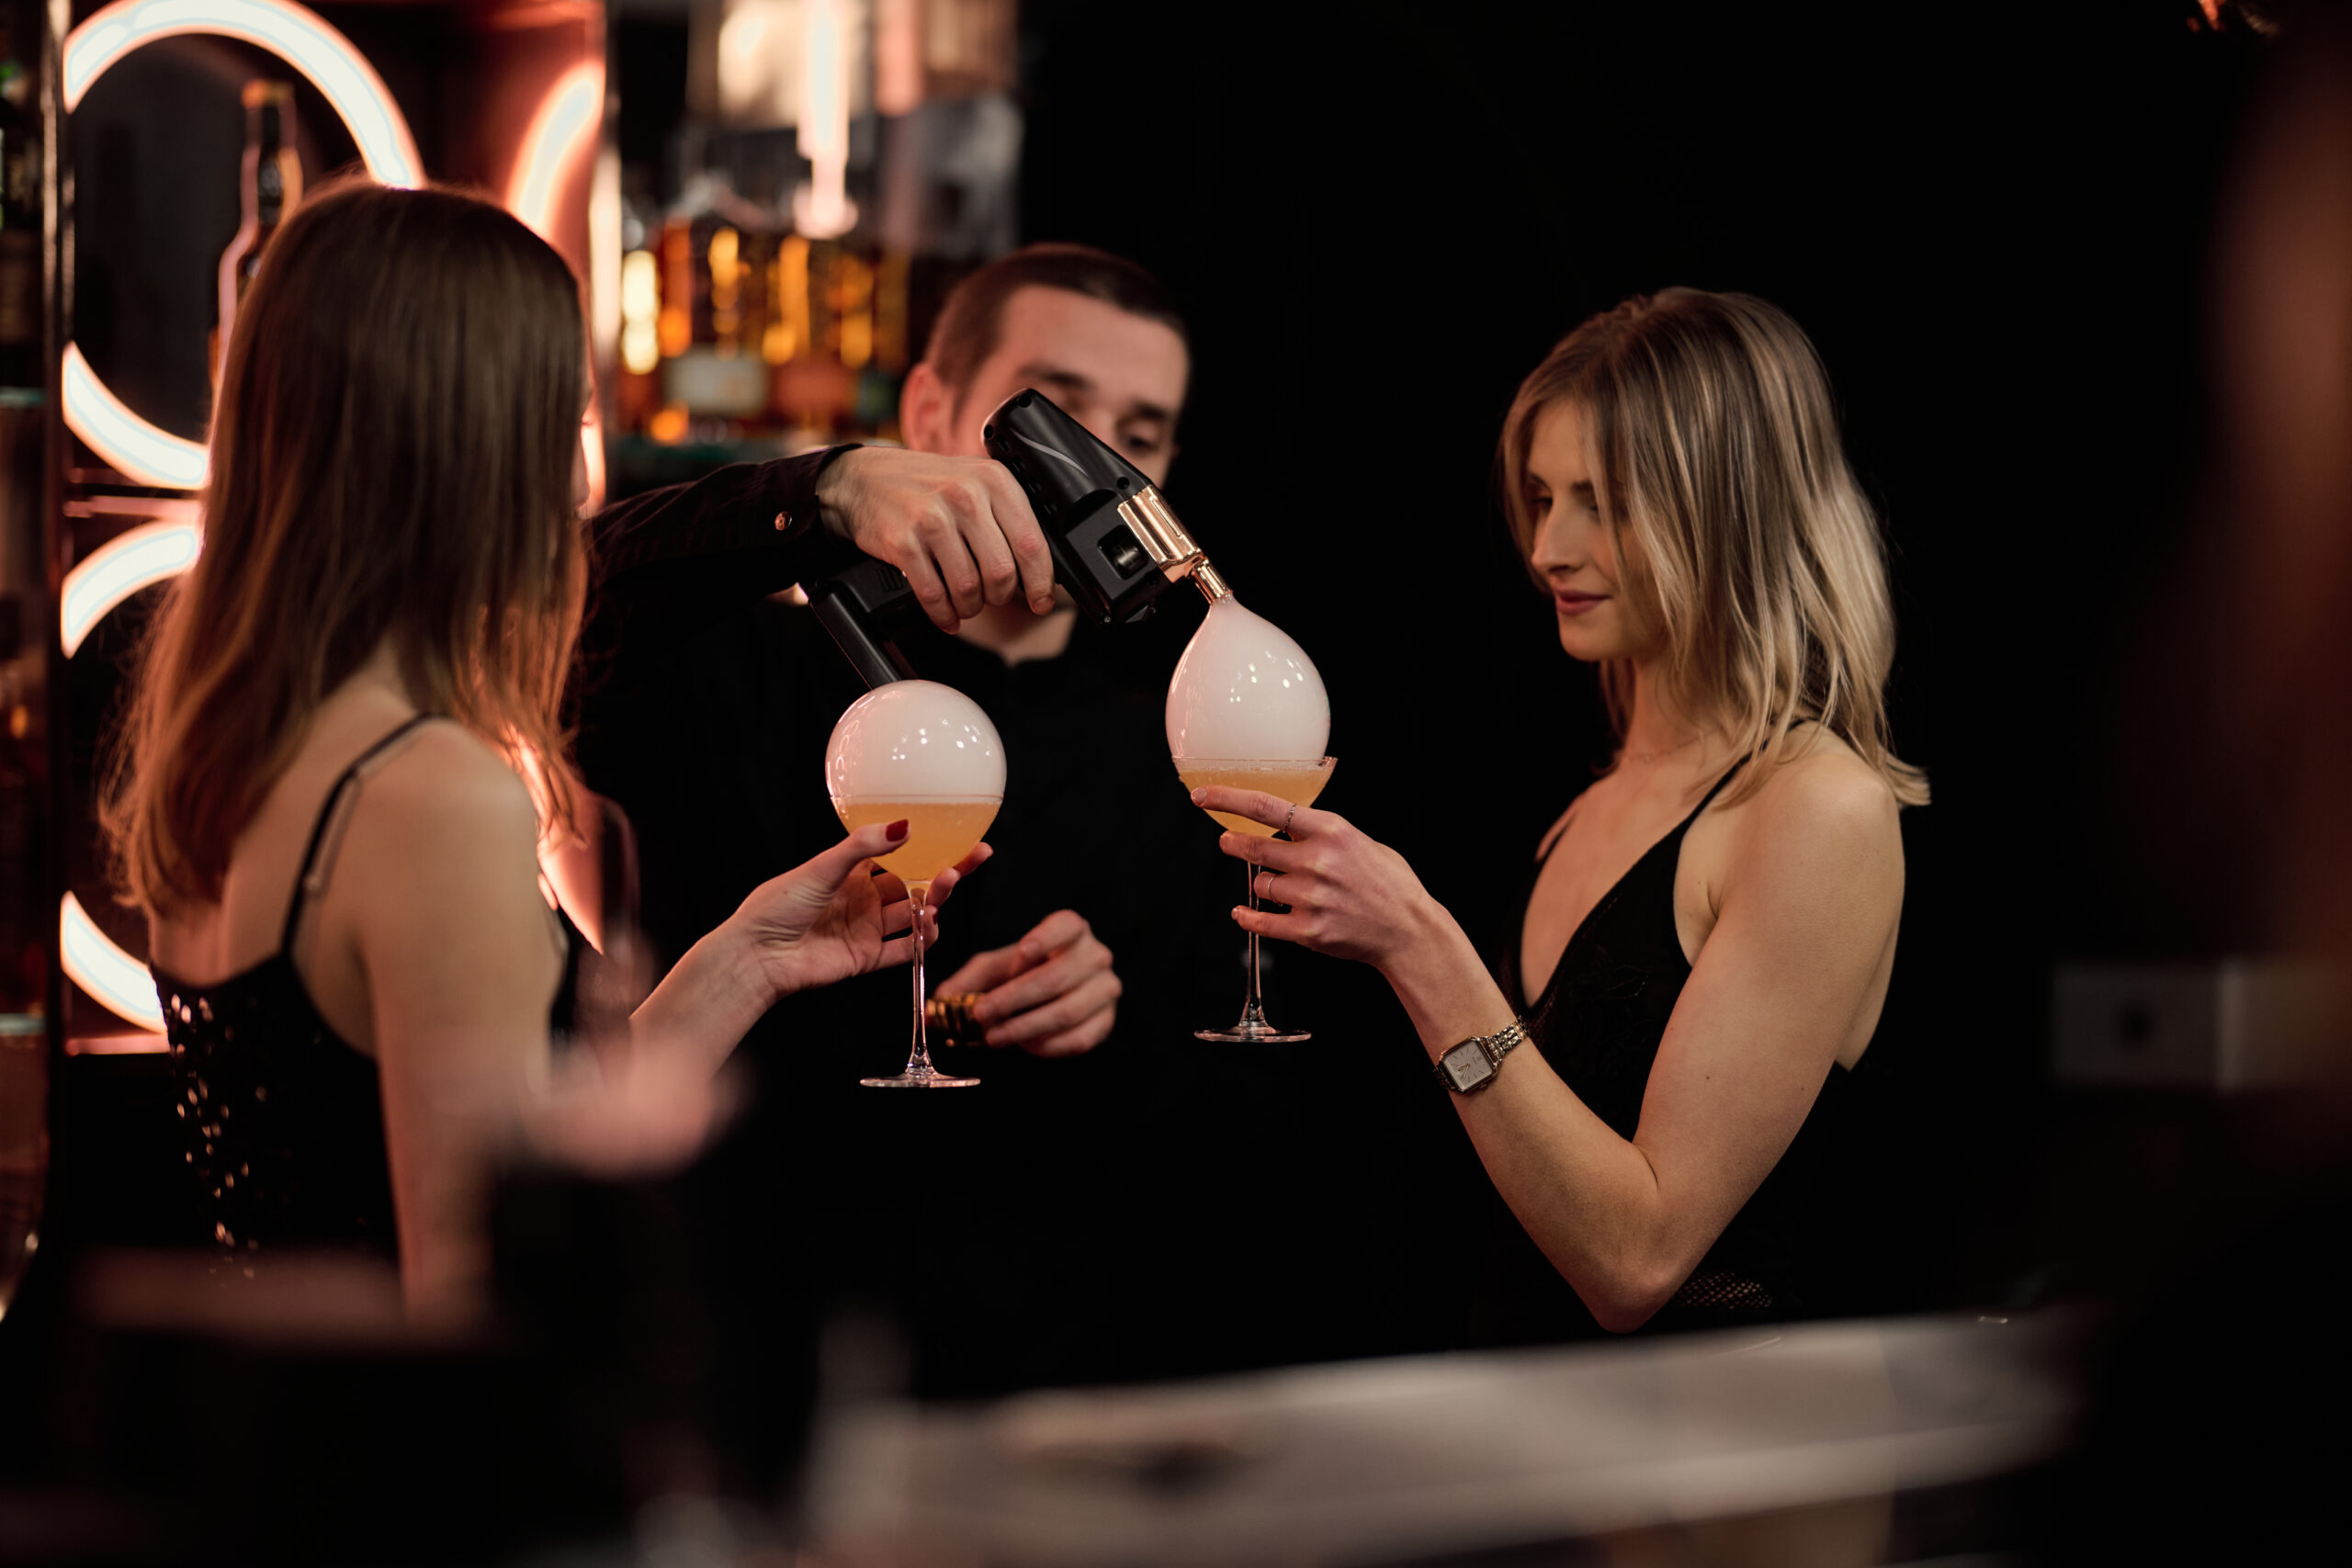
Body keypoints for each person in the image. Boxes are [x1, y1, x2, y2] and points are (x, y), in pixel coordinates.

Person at [99, 181, 983, 1320]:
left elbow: (460, 1117)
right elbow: (479, 1306)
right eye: (560, 427)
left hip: (283, 1461)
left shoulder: (235, 752)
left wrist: (745, 961)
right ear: (462, 447)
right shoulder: (433, 797)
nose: (577, 484)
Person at [575, 245, 1276, 1393]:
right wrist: (820, 490)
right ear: (929, 410)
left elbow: (1260, 1152)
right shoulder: (738, 669)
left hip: (1058, 1406)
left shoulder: (1187, 751)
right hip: (742, 1378)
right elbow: (526, 614)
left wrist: (1119, 1035)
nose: (1087, 465)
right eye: (1052, 413)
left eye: (1137, 436)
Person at [1194, 289, 1924, 1340]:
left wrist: (1417, 946)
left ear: (1730, 510)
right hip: (1539, 1442)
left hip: (1705, 1465)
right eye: (1541, 497)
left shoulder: (1817, 809)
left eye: (1604, 499)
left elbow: (1637, 1262)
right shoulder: (1593, 803)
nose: (1547, 548)